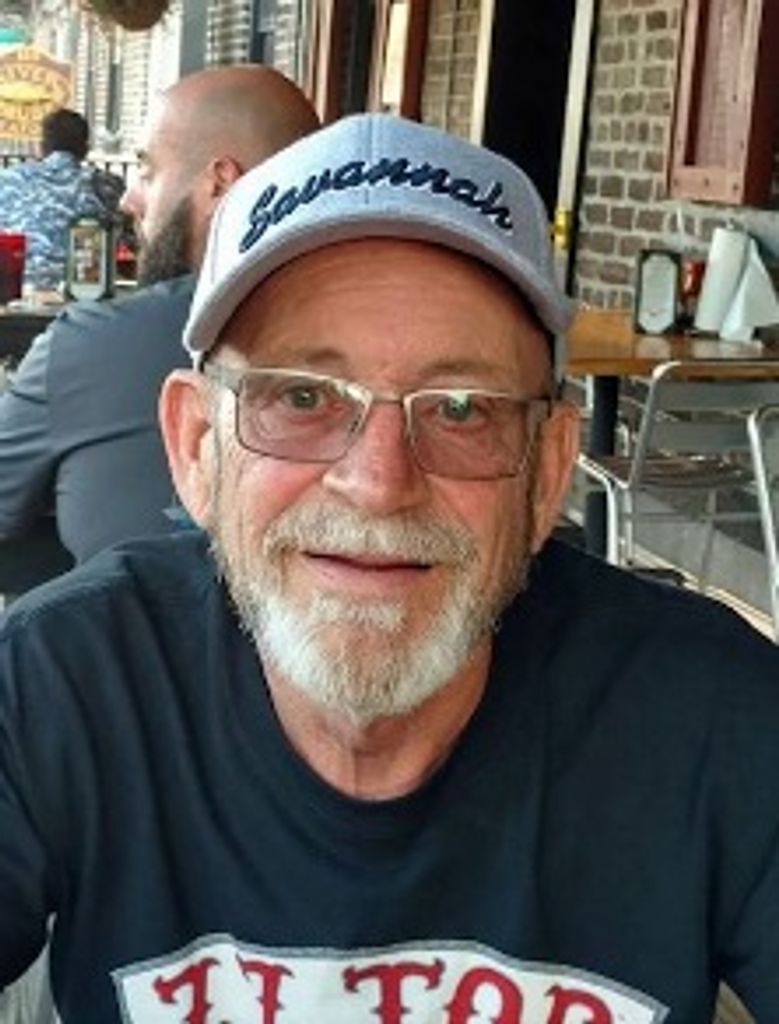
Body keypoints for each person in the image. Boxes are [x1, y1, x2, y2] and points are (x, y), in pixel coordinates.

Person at [2, 114, 779, 1024]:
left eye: (461, 409)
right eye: (301, 396)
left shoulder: (717, 714)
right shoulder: (63, 684)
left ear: (547, 472)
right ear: (197, 446)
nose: (377, 485)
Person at [0, 65, 319, 566]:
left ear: (220, 183)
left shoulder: (91, 345)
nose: (129, 199)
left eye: (147, 172)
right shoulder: (388, 336)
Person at [0, 108, 123, 292]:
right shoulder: (107, 186)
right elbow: (131, 240)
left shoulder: (8, 179)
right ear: (85, 149)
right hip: (82, 295)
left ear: (42, 146)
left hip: (15, 292)